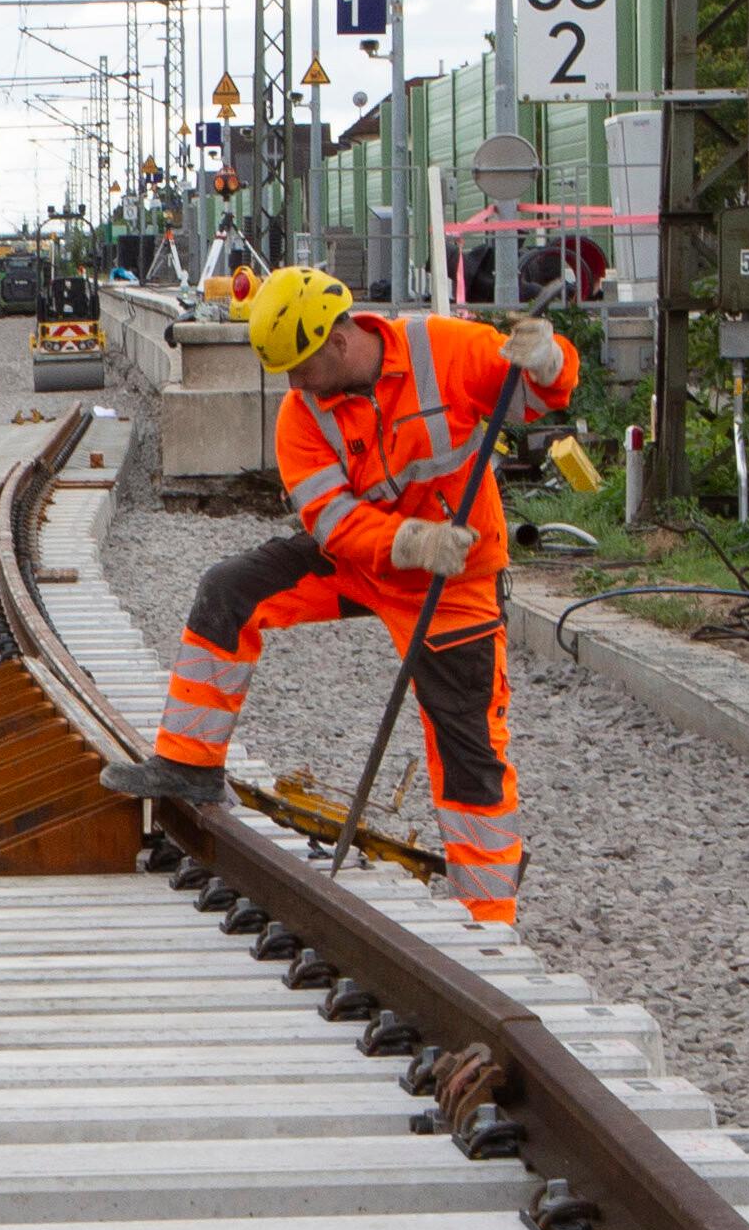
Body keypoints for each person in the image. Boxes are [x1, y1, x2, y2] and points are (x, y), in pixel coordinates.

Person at [106, 268, 573, 926]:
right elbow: (331, 521)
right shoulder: (302, 418)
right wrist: (408, 541)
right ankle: (188, 763)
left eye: (302, 368)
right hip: (363, 564)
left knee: (468, 748)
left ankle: (488, 913)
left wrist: (547, 359)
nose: (295, 385)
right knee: (229, 592)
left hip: (454, 583)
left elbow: (537, 396)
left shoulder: (441, 349)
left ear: (338, 338)